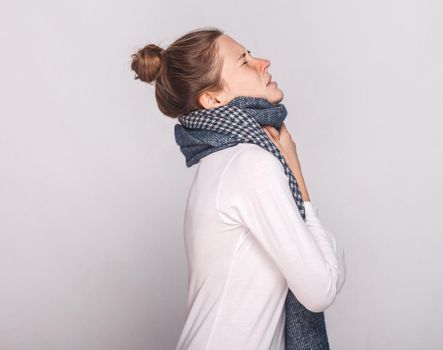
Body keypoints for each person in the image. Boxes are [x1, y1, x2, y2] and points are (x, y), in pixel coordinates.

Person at [131, 26, 347, 350]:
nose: (264, 62)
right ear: (213, 98)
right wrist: (297, 174)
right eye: (244, 61)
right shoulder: (249, 164)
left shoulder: (222, 162)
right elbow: (322, 288)